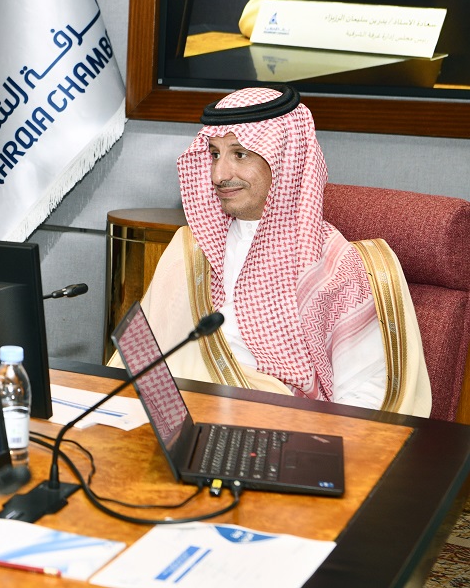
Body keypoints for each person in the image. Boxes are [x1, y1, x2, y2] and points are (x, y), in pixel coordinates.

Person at [111, 85, 430, 416]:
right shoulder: (191, 249)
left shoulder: (334, 266)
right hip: (170, 421)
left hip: (276, 430)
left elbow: (364, 398)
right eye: (215, 154)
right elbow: (138, 363)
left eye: (240, 154)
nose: (219, 175)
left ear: (284, 158)